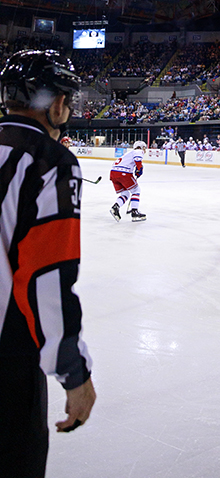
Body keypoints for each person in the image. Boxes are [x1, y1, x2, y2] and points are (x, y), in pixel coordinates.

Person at [0, 50, 96, 477]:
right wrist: (73, 371)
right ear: (58, 104)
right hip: (7, 358)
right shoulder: (48, 160)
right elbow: (45, 275)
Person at [109, 140, 147, 221]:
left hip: (113, 173)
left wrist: (137, 169)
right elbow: (137, 159)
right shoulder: (138, 151)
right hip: (123, 173)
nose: (145, 150)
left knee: (125, 193)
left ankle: (115, 207)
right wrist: (139, 168)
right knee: (136, 190)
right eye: (144, 148)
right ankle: (134, 212)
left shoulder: (128, 154)